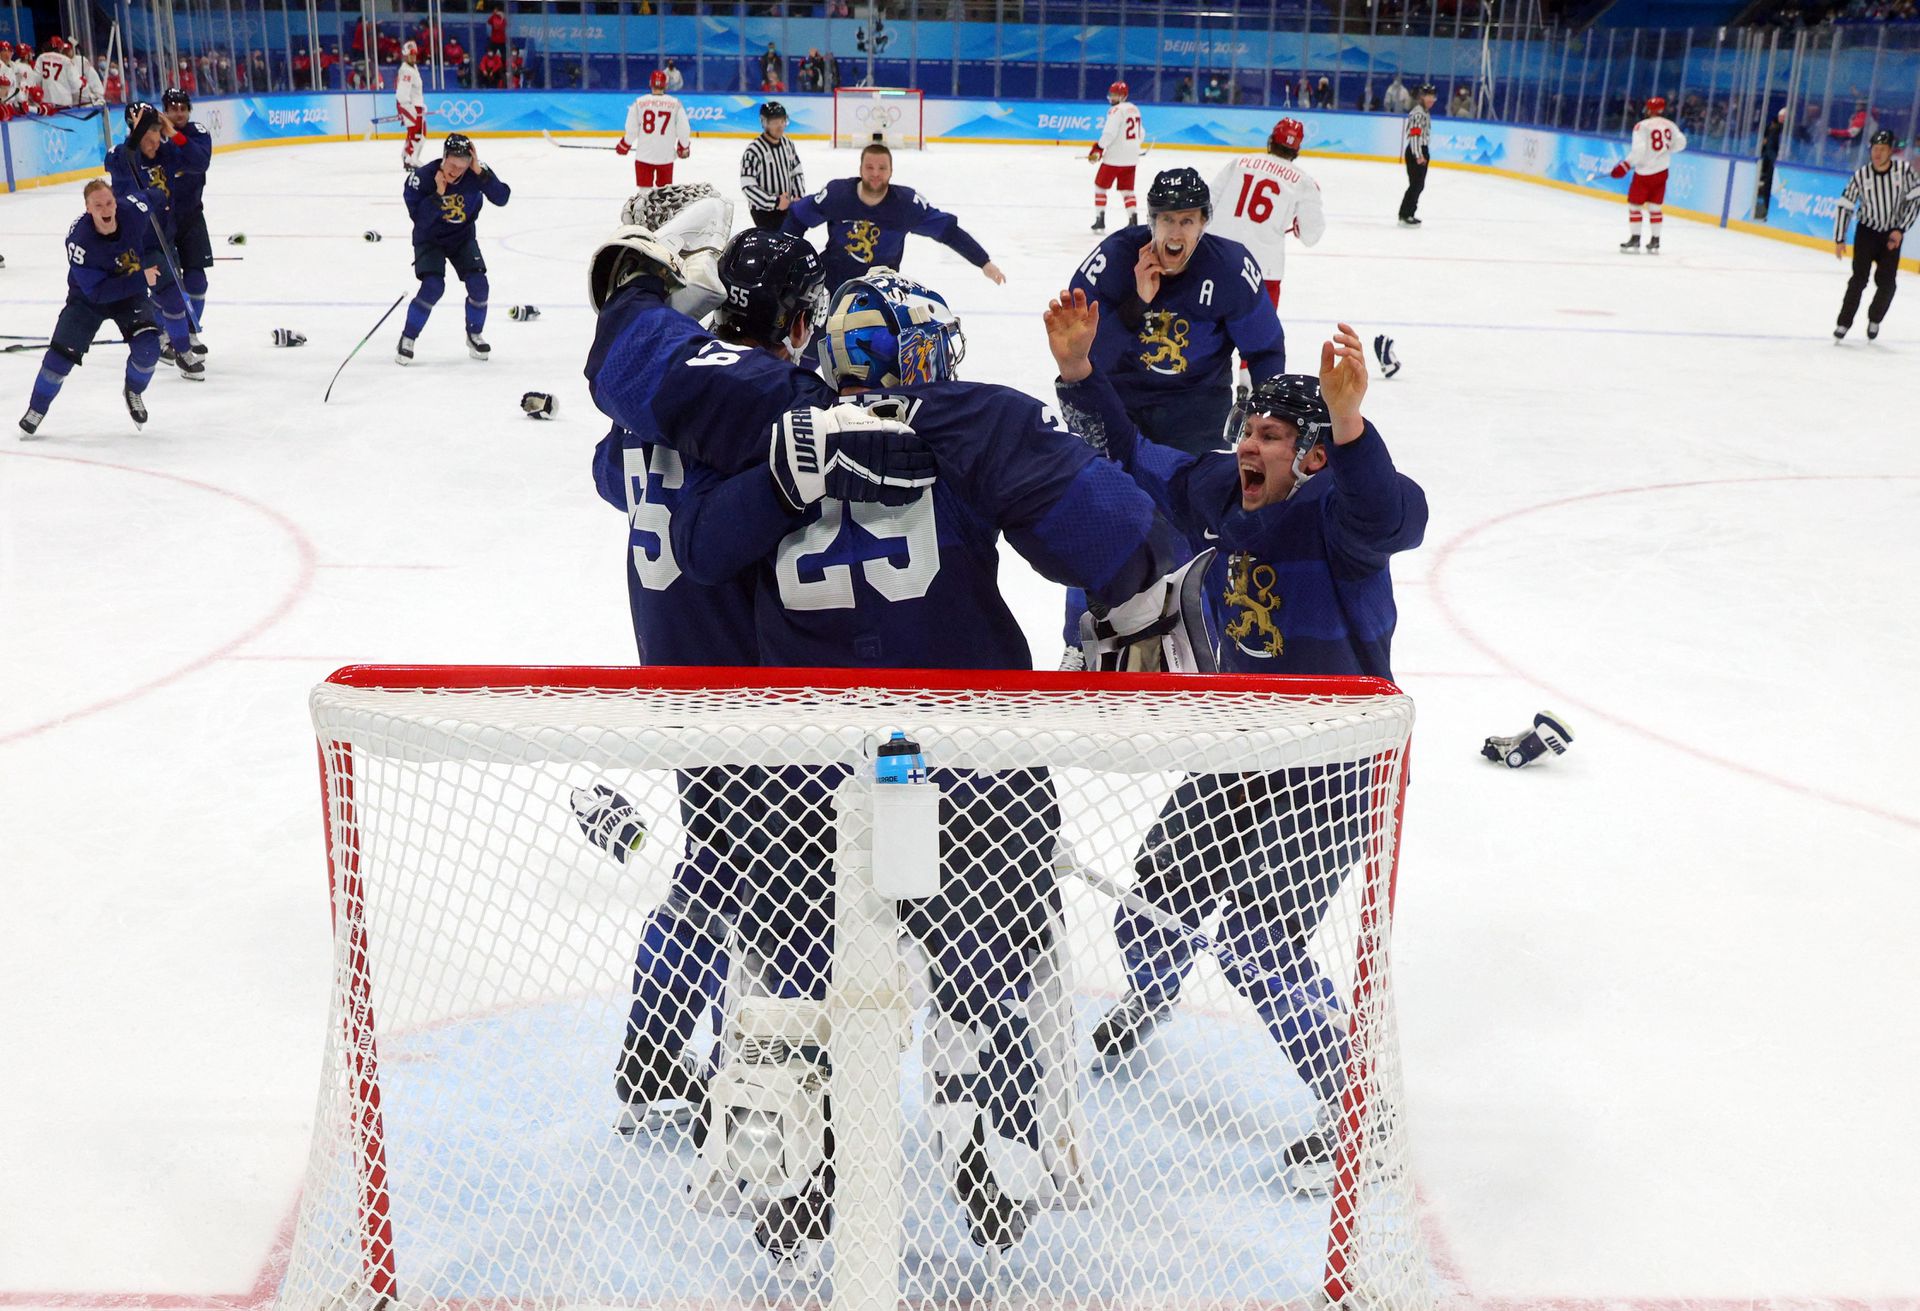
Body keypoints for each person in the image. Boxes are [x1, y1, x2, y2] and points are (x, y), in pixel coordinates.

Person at [585, 225, 1193, 1257]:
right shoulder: (974, 420)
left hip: (798, 770)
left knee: (788, 977)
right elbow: (1113, 538)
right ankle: (989, 1126)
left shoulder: (758, 419)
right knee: (988, 962)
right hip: (973, 759)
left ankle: (785, 1160)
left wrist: (782, 480)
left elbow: (684, 538)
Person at [1046, 288, 1426, 1190]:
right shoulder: (1230, 486)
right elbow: (1139, 455)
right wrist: (1080, 374)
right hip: (1245, 744)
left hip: (1332, 763)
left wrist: (1351, 423)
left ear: (1315, 456)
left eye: (1271, 436)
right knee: (1155, 897)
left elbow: (1396, 513)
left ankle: (1357, 1114)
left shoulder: (1341, 516)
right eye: (1248, 429)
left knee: (1262, 945)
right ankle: (1150, 995)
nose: (1247, 446)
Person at [1067, 165, 1286, 457]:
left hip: (1198, 414)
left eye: (1187, 221)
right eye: (1166, 219)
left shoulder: (1230, 269)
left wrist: (1266, 417)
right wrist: (1136, 303)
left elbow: (1265, 351)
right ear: (1151, 221)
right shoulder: (1113, 259)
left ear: (1204, 222)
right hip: (1121, 406)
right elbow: (1084, 358)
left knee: (1194, 500)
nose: (1175, 232)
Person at [17, 178, 164, 437]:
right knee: (59, 359)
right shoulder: (80, 240)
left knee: (149, 349)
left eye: (109, 203)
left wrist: (167, 223)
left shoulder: (132, 209)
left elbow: (155, 196)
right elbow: (97, 293)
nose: (106, 210)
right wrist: (141, 278)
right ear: (87, 208)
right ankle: (36, 409)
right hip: (88, 300)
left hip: (130, 296)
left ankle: (133, 391)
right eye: (98, 206)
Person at [780, 143, 1006, 291]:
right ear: (860, 169)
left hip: (880, 290)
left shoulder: (906, 206)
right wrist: (783, 260)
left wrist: (983, 261)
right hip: (831, 286)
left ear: (891, 171)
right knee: (809, 351)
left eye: (882, 167)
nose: (875, 173)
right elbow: (798, 218)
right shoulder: (837, 195)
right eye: (869, 167)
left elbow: (948, 231)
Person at [105, 101, 203, 379]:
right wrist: (137, 133)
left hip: (165, 237)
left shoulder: (166, 152)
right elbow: (125, 158)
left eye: (157, 130)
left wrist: (173, 132)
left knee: (166, 295)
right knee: (171, 295)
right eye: (149, 131)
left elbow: (198, 161)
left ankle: (162, 338)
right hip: (137, 244)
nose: (155, 138)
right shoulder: (120, 155)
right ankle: (183, 352)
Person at [398, 132, 510, 363]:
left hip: (462, 238)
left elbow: (502, 198)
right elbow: (420, 221)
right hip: (430, 239)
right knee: (433, 287)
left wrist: (481, 174)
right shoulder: (422, 178)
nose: (455, 171)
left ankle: (474, 334)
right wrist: (438, 194)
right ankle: (408, 337)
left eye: (462, 167)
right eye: (452, 165)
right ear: (444, 157)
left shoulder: (477, 173)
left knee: (480, 286)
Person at [1208, 117, 1325, 311]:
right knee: (1261, 339)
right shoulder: (1304, 183)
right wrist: (1298, 224)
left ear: (1271, 140)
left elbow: (1206, 205)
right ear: (1297, 150)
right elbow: (1311, 235)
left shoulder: (1240, 162)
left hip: (1219, 258)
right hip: (1264, 270)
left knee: (1208, 333)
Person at [1832, 130, 1920, 342]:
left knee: (1887, 282)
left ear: (1891, 151)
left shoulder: (1903, 171)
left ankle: (1875, 318)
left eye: (1882, 149)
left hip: (1892, 234)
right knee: (1858, 279)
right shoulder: (1862, 175)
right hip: (1867, 233)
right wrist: (1839, 238)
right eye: (1874, 149)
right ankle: (1843, 323)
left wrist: (1900, 229)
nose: (1877, 153)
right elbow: (1845, 205)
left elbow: (1915, 199)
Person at [160, 88, 214, 352]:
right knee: (164, 282)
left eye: (182, 108)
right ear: (165, 111)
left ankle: (191, 332)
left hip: (191, 217)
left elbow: (200, 161)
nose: (178, 113)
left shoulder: (198, 132)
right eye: (173, 108)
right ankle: (162, 335)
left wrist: (175, 137)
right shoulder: (152, 135)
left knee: (196, 280)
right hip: (161, 221)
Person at [1611, 95, 1686, 254]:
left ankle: (1635, 238)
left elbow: (1639, 150)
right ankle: (1655, 240)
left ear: (1648, 109)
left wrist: (1626, 165)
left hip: (1644, 172)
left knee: (1634, 206)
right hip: (1662, 172)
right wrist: (1667, 151)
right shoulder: (1670, 125)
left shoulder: (1642, 126)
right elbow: (1681, 143)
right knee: (1655, 208)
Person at [618, 69, 690, 191]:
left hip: (644, 156)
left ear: (650, 83)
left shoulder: (639, 102)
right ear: (665, 85)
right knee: (664, 194)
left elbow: (632, 129)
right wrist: (684, 146)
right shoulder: (675, 104)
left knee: (644, 194)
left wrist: (625, 144)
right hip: (666, 157)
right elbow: (684, 129)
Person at [1088, 80, 1146, 232]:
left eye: (1115, 95)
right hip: (1132, 158)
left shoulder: (1115, 111)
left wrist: (1099, 148)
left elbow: (1109, 133)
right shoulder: (1135, 109)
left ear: (1123, 96)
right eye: (1112, 94)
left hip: (1114, 158)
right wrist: (1134, 147)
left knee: (1100, 187)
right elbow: (1141, 133)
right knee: (1127, 190)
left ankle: (1100, 219)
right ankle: (1133, 219)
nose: (1112, 98)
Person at [740, 100, 806, 232]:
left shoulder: (787, 144)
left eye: (782, 121)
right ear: (765, 123)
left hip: (789, 208)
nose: (780, 126)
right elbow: (748, 186)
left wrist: (799, 196)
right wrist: (774, 202)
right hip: (764, 214)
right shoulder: (754, 151)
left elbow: (796, 171)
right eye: (775, 122)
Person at [1398, 83, 1436, 226]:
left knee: (1418, 184)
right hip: (1417, 150)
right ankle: (1405, 214)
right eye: (1428, 96)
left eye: (1433, 96)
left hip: (1421, 150)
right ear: (1422, 97)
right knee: (1416, 184)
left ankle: (1408, 212)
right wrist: (1418, 155)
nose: (1431, 99)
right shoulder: (1418, 113)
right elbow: (1414, 136)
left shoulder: (1424, 112)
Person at [395, 40, 426, 169]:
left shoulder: (413, 68)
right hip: (411, 106)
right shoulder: (407, 71)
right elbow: (402, 93)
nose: (413, 57)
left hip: (417, 106)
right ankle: (411, 159)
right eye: (411, 55)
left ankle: (407, 156)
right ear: (405, 55)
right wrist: (407, 109)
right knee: (417, 135)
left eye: (414, 55)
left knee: (417, 134)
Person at [1756, 106, 1785, 220]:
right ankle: (1765, 211)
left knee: (1773, 188)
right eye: (1781, 117)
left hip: (1776, 163)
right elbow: (1768, 146)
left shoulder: (1785, 129)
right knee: (1767, 187)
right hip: (1771, 162)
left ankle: (1769, 212)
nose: (1782, 119)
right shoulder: (1773, 127)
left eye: (1783, 117)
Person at [34, 35, 80, 108]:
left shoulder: (41, 57)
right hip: (64, 101)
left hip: (47, 101)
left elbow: (36, 79)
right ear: (61, 47)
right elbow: (75, 84)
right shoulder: (66, 60)